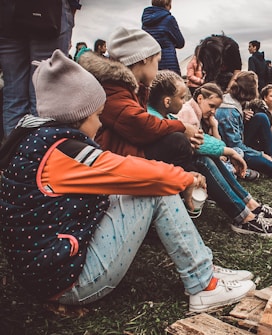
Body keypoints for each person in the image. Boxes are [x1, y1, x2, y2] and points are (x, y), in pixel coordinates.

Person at [0, 49, 255, 313]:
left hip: (49, 269)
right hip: (70, 282)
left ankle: (204, 267)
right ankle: (204, 283)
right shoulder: (65, 153)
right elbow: (131, 172)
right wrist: (185, 178)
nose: (100, 125)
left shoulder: (40, 141)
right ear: (77, 116)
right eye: (97, 116)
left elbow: (123, 172)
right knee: (157, 189)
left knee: (150, 185)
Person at [149, 74, 272, 236]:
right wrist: (230, 151)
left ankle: (249, 206)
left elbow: (201, 139)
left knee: (207, 157)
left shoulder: (167, 117)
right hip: (160, 174)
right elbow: (199, 143)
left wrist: (225, 147)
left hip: (167, 168)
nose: (184, 101)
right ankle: (244, 217)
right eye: (181, 97)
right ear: (167, 101)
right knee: (203, 160)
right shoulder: (160, 119)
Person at [78, 27, 201, 172]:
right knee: (178, 141)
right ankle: (185, 186)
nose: (158, 68)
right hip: (115, 159)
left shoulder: (126, 87)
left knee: (179, 141)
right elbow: (142, 127)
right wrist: (182, 126)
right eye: (157, 61)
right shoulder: (112, 88)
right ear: (145, 59)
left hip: (121, 153)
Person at [0, 0, 81, 138]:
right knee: (45, 96)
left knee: (14, 96)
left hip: (7, 12)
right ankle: (39, 154)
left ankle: (14, 155)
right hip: (50, 10)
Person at [141, 0, 185, 74]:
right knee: (171, 84)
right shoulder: (169, 19)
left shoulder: (145, 21)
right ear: (168, 4)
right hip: (168, 63)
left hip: (151, 63)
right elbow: (181, 43)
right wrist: (171, 43)